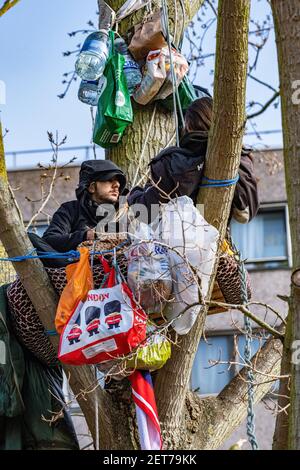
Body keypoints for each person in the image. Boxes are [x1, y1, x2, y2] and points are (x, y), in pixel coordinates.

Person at [127, 97, 259, 224]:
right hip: (214, 240)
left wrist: (133, 194)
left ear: (189, 126)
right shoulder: (239, 159)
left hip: (178, 241)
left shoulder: (173, 163)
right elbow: (245, 214)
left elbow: (145, 214)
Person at [40, 159, 126, 253]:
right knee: (32, 238)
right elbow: (50, 240)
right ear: (92, 187)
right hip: (78, 265)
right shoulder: (70, 210)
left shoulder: (125, 213)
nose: (117, 185)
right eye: (109, 180)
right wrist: (87, 235)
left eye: (118, 182)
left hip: (119, 265)